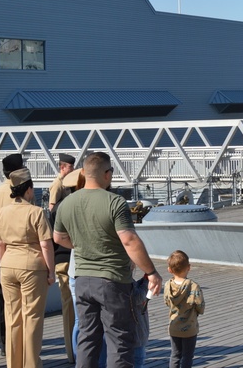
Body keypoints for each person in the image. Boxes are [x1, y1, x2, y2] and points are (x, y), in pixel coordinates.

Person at [53, 152, 163, 368]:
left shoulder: (67, 203)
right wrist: (151, 272)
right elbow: (129, 240)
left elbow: (58, 238)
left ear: (83, 173)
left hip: (83, 279)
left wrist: (83, 245)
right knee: (119, 340)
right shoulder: (115, 202)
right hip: (112, 281)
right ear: (108, 173)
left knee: (87, 338)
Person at [0, 168, 56, 368]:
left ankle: (14, 363)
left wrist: (6, 262)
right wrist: (51, 271)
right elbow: (45, 244)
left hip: (7, 263)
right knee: (32, 317)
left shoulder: (2, 212)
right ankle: (31, 364)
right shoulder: (35, 212)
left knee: (12, 317)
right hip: (31, 265)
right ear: (28, 189)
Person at [0, 152, 26, 356]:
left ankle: (4, 343)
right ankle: (23, 342)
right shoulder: (24, 190)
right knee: (24, 298)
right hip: (22, 248)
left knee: (2, 296)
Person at [48, 152, 77, 363]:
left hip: (61, 259)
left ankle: (72, 352)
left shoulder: (60, 206)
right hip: (72, 259)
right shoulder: (57, 188)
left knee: (69, 308)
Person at [164, 250, 204, 368]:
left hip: (174, 326)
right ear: (188, 267)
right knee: (187, 356)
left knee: (175, 355)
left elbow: (167, 301)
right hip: (189, 328)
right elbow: (200, 305)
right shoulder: (193, 286)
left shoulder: (168, 285)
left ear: (169, 270)